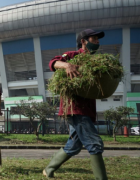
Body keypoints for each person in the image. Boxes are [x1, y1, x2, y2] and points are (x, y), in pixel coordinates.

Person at [43, 29, 108, 180]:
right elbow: (53, 62)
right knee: (94, 143)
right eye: (94, 38)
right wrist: (67, 66)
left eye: (98, 39)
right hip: (75, 107)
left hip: (88, 108)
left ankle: (49, 169)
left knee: (74, 145)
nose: (98, 41)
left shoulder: (95, 62)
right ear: (84, 41)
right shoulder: (73, 56)